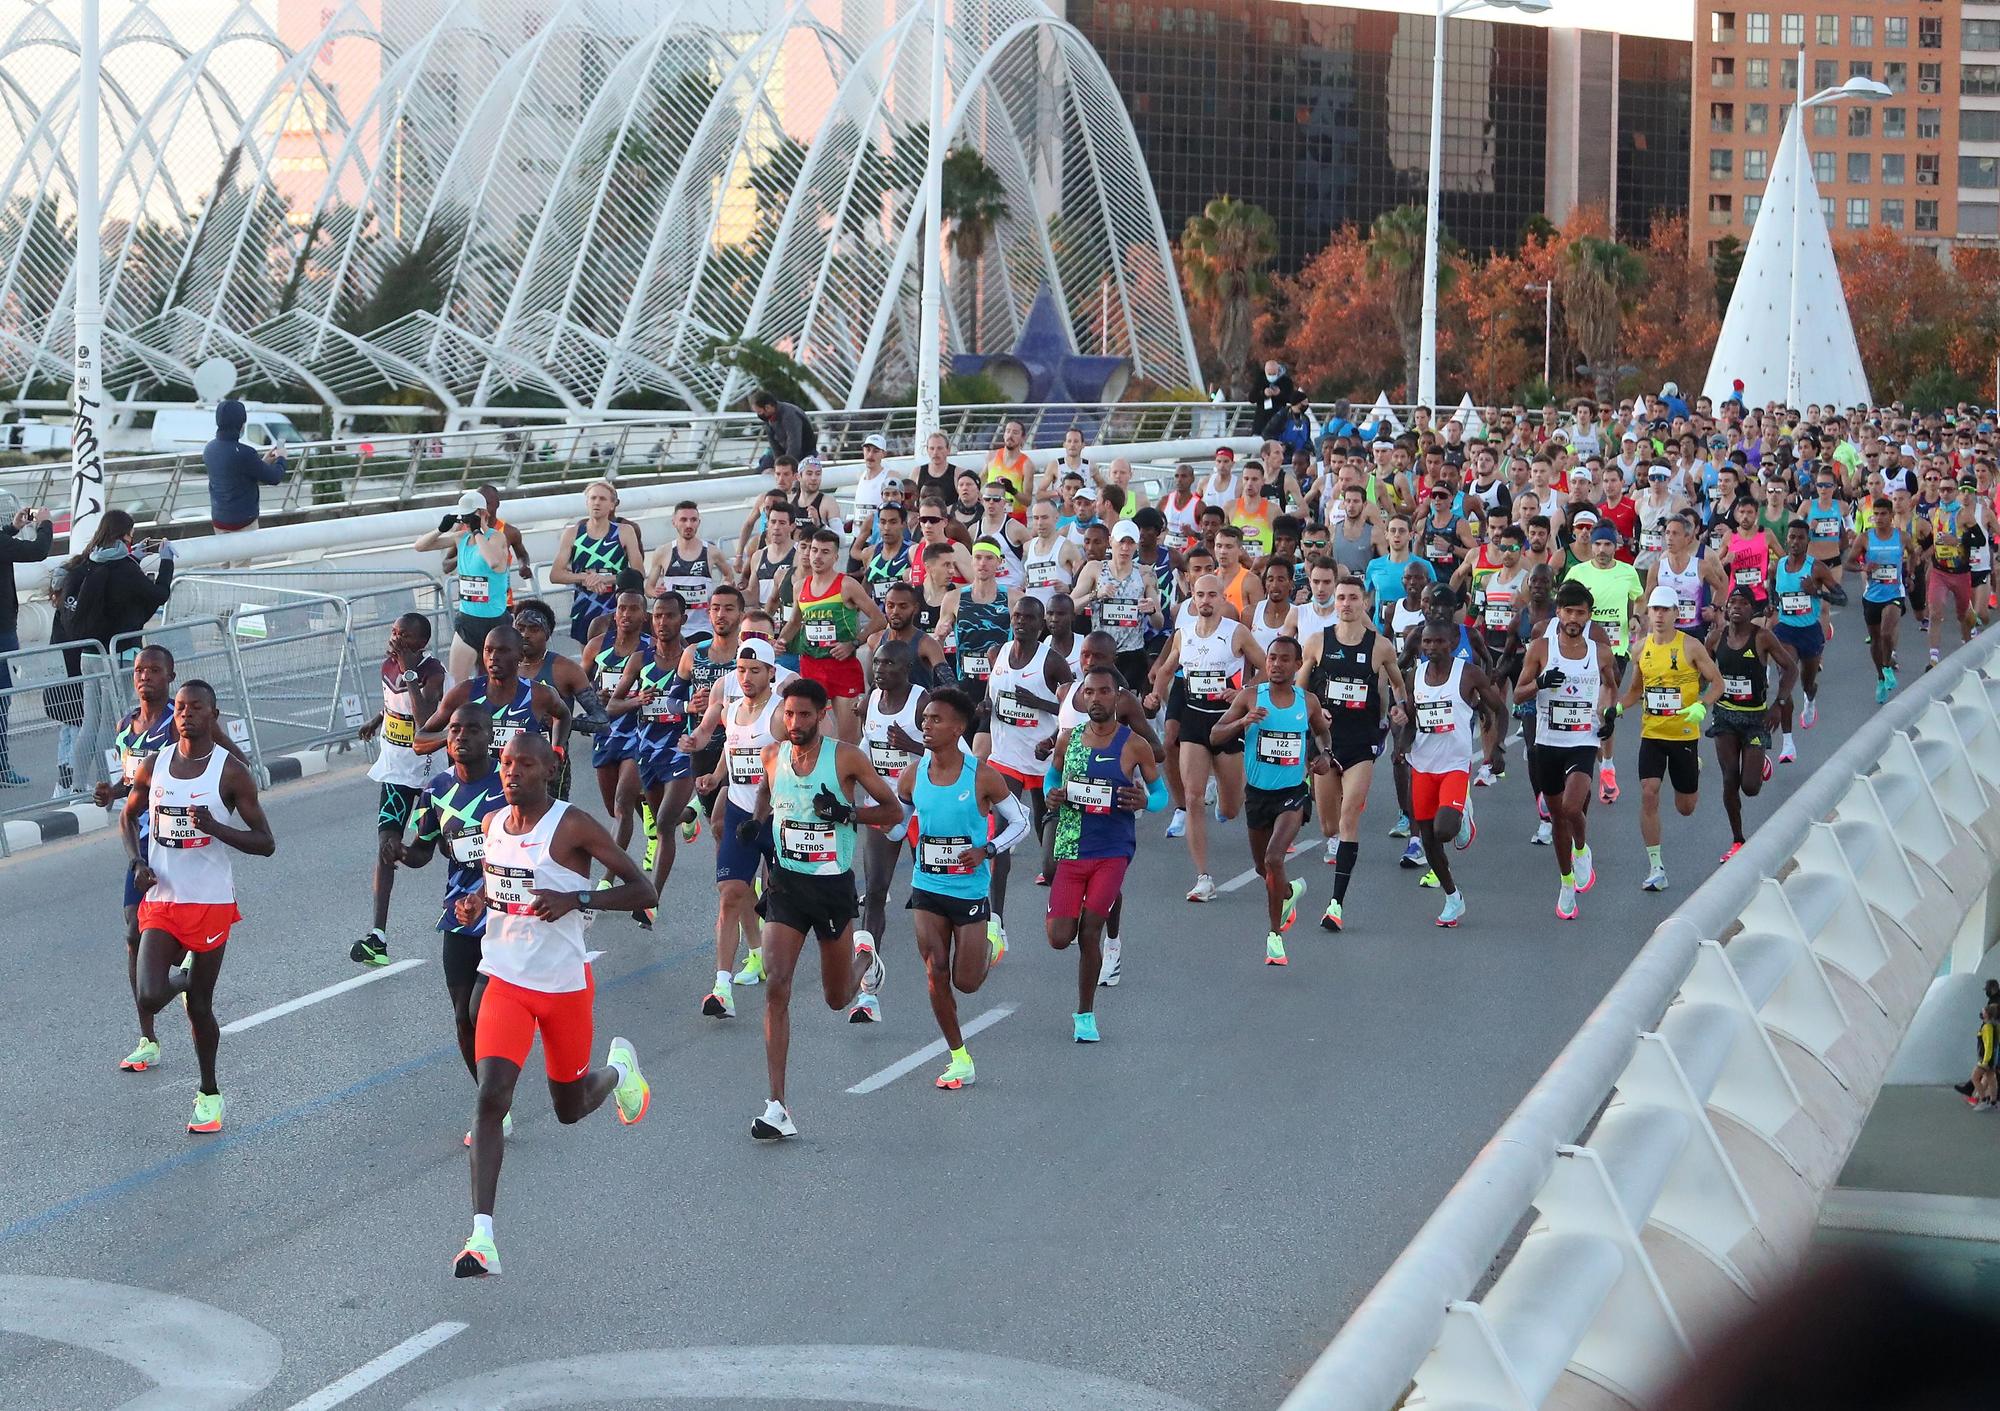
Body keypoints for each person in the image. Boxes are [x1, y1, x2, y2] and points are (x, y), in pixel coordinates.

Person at [451, 730, 656, 1277]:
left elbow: (643, 890)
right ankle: (482, 1238)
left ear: (549, 768)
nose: (511, 772)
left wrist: (578, 898)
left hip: (564, 987)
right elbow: (500, 891)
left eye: (523, 764)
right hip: (506, 982)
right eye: (505, 763)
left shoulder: (572, 826)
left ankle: (618, 1070)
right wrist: (477, 904)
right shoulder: (492, 825)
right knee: (491, 1097)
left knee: (568, 1108)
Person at [746, 678, 902, 1139]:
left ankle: (865, 958)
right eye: (788, 715)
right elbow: (765, 798)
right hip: (787, 886)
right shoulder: (772, 756)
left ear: (822, 716)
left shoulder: (847, 758)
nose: (794, 723)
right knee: (777, 985)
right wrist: (754, 827)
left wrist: (847, 814)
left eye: (804, 715)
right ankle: (777, 1105)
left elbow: (892, 811)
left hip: (832, 886)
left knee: (837, 999)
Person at [120, 680, 276, 1133]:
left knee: (200, 1010)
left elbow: (266, 843)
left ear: (213, 714)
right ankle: (188, 977)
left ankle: (209, 1092)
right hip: (164, 898)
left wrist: (215, 827)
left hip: (208, 902)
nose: (186, 714)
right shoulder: (156, 764)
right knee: (150, 993)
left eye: (196, 707)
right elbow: (128, 817)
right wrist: (137, 862)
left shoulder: (230, 773)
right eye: (181, 707)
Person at [899, 686, 1026, 1088]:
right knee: (935, 969)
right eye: (924, 719)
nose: (926, 725)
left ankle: (991, 940)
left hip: (969, 892)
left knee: (966, 982)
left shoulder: (982, 776)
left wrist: (987, 849)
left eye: (936, 719)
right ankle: (959, 1057)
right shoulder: (912, 774)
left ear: (959, 728)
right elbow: (895, 823)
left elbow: (1020, 822)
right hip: (926, 887)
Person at [391, 704, 508, 1134]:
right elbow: (425, 847)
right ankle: (494, 1106)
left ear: (490, 736)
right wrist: (403, 852)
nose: (460, 737)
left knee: (484, 1011)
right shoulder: (437, 788)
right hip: (459, 919)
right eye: (454, 729)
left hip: (506, 914)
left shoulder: (507, 783)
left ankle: (493, 1104)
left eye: (471, 729)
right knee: (463, 1017)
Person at [1045, 666, 1163, 1042]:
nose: (1096, 699)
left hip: (1113, 849)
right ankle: (1090, 904)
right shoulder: (1069, 740)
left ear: (1117, 697)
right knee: (1060, 938)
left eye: (1104, 692)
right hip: (1072, 846)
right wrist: (1053, 793)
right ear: (1081, 698)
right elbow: (1052, 777)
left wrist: (1146, 800)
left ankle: (1085, 1015)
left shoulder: (1133, 744)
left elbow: (1160, 795)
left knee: (1089, 933)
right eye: (1090, 692)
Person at [1211, 637, 1331, 966]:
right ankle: (1288, 893)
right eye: (1271, 658)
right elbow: (1214, 735)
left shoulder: (1307, 702)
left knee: (1274, 857)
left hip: (1293, 792)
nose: (1276, 664)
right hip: (1258, 795)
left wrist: (1325, 755)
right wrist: (1240, 722)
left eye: (1284, 660)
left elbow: (1321, 731)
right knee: (1262, 868)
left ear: (1296, 665)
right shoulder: (1251, 697)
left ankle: (1274, 935)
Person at [1145, 574, 1265, 902]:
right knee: (1193, 798)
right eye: (1200, 595)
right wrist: (1156, 694)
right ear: (1193, 598)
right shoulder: (1184, 636)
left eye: (1212, 595)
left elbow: (1267, 668)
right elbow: (1168, 670)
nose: (1205, 601)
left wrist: (1242, 692)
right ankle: (1203, 877)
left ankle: (1224, 799)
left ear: (1223, 599)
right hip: (1194, 722)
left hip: (1227, 724)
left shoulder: (1236, 633)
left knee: (1231, 807)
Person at [683, 638, 783, 1017]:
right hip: (741, 812)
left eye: (755, 670)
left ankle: (780, 960)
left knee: (781, 899)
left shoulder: (779, 713)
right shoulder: (732, 709)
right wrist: (716, 776)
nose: (746, 677)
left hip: (779, 816)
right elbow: (732, 747)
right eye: (741, 670)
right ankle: (721, 988)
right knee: (730, 893)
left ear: (771, 673)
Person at [1303, 579, 1407, 931]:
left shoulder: (1380, 646)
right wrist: (1316, 714)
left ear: (1365, 603)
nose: (1346, 603)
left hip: (1361, 743)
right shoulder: (1318, 642)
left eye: (1353, 598)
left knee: (1349, 818)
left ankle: (1336, 904)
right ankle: (1334, 832)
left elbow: (1397, 684)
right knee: (1329, 825)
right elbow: (1300, 690)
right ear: (1335, 602)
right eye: (1341, 597)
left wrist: (1399, 709)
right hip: (1325, 742)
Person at [353, 613, 447, 966]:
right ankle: (378, 935)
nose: (394, 640)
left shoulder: (432, 672)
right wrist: (376, 720)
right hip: (395, 772)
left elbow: (424, 720)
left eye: (403, 636)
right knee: (385, 847)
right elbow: (392, 702)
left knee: (445, 847)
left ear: (419, 644)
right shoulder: (388, 666)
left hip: (429, 775)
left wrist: (410, 671)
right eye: (393, 632)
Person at [1517, 581, 1616, 917]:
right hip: (1548, 741)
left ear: (1589, 617)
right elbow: (1518, 694)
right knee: (1557, 814)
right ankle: (1565, 882)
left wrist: (1608, 714)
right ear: (1558, 613)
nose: (1574, 618)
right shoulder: (1541, 649)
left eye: (1581, 613)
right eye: (1569, 612)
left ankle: (1582, 847)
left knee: (1574, 807)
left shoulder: (1599, 651)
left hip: (1583, 740)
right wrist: (1541, 683)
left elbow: (1610, 688)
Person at [978, 595, 1072, 942]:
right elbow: (994, 700)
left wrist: (1039, 703)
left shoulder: (1053, 663)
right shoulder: (996, 654)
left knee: (1047, 853)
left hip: (1044, 762)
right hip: (1005, 760)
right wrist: (985, 707)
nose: (1021, 621)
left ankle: (1066, 904)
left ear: (1041, 623)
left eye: (1029, 618)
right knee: (1001, 838)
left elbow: (1072, 709)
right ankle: (995, 922)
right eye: (1016, 616)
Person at [1396, 620, 1502, 927]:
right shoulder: (1414, 675)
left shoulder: (1467, 674)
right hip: (1422, 766)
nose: (1430, 647)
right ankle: (1453, 897)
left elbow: (1499, 709)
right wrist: (1402, 745)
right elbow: (1412, 719)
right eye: (1426, 642)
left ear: (1452, 643)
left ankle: (1462, 814)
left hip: (1454, 765)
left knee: (1445, 830)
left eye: (1437, 642)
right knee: (1429, 840)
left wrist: (1496, 750)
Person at [1621, 585, 1724, 893]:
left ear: (1676, 614)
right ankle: (1656, 867)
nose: (1660, 615)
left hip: (1683, 735)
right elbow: (1635, 691)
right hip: (1652, 733)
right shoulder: (1640, 649)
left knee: (1685, 807)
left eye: (1666, 610)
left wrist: (1701, 706)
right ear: (1648, 613)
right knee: (1649, 792)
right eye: (1655, 609)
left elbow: (1717, 683)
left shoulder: (1691, 646)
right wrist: (1614, 708)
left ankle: (1695, 766)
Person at [614, 593, 698, 907]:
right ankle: (689, 814)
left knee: (663, 823)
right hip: (648, 753)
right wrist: (637, 700)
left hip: (680, 750)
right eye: (658, 616)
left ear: (683, 619)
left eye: (670, 616)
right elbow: (612, 706)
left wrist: (693, 708)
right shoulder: (640, 660)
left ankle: (652, 900)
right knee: (667, 816)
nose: (663, 623)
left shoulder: (693, 659)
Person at [1706, 588, 1798, 863]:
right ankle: (1737, 839)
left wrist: (1779, 704)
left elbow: (1790, 669)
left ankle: (1760, 766)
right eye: (1732, 602)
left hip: (1755, 718)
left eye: (1743, 603)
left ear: (1751, 610)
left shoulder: (1763, 638)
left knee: (1750, 787)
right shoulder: (1715, 638)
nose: (1736, 607)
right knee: (1729, 778)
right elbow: (1702, 673)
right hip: (1724, 717)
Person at [1564, 523, 1644, 803]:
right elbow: (1564, 608)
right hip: (1582, 649)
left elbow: (1637, 600)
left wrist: (1635, 618)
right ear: (1591, 546)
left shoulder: (1628, 572)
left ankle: (1606, 767)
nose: (1602, 550)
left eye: (1607, 544)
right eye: (1597, 544)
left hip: (1616, 650)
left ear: (1616, 545)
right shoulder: (1577, 573)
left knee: (1604, 710)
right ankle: (1596, 764)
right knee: (1590, 711)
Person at [780, 527, 885, 742]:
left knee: (848, 737)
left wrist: (853, 643)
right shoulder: (800, 587)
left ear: (836, 557)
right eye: (814, 550)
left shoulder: (846, 585)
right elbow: (794, 622)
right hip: (811, 664)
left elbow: (879, 619)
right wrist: (780, 640)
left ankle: (849, 773)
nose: (817, 557)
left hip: (841, 665)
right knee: (808, 732)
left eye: (825, 552)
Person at [858, 640, 927, 947]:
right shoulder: (871, 700)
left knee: (928, 891)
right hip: (882, 806)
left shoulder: (922, 702)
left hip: (921, 809)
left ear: (907, 669)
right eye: (876, 663)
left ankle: (947, 948)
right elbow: (867, 747)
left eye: (889, 664)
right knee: (874, 890)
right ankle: (868, 966)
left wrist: (911, 747)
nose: (880, 670)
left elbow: (953, 755)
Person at [416, 492, 515, 686]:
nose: (467, 522)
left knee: (500, 682)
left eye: (471, 516)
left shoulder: (497, 538)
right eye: (465, 516)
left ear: (482, 513)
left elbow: (494, 562)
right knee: (455, 684)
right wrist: (440, 529)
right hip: (469, 621)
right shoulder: (461, 537)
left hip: (495, 621)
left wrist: (478, 532)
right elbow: (420, 546)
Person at [1772, 519, 1840, 762]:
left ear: (1808, 541)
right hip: (1785, 632)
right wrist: (1772, 605)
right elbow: (1774, 590)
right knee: (1786, 677)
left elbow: (1842, 597)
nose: (1795, 542)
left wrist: (1817, 592)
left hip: (1810, 632)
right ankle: (1788, 743)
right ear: (1786, 539)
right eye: (1792, 537)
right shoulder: (1778, 566)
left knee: (1807, 682)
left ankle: (1810, 699)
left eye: (1801, 538)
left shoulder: (1817, 568)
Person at [0, 502, 53, 787]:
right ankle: (1, 767)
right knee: (2, 701)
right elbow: (37, 551)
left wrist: (14, 528)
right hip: (2, 633)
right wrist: (44, 524)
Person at [1850, 495, 1913, 703]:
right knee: (1875, 640)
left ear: (1891, 516)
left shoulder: (1901, 537)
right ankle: (1880, 677)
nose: (1879, 518)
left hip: (1894, 594)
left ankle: (1887, 667)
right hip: (1872, 596)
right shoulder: (1865, 538)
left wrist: (1910, 574)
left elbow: (1913, 554)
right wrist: (1863, 567)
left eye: (1883, 514)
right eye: (1875, 514)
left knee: (1886, 633)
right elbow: (1849, 562)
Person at [203, 399, 288, 535]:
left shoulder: (209, 449)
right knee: (241, 556)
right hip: (242, 522)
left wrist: (263, 462)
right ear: (241, 424)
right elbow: (274, 478)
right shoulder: (245, 453)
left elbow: (236, 472)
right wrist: (282, 458)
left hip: (219, 520)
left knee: (225, 555)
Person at [644, 500, 721, 641]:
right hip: (672, 627)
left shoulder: (711, 552)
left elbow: (728, 576)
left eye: (693, 520)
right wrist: (656, 592)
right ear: (674, 522)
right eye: (683, 520)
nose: (689, 525)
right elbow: (649, 587)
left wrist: (717, 597)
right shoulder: (663, 552)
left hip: (702, 627)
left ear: (699, 522)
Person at [750, 388, 818, 463]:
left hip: (804, 453)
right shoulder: (768, 418)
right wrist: (777, 462)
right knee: (763, 467)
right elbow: (774, 444)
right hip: (784, 451)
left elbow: (794, 443)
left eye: (759, 411)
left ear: (767, 407)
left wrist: (785, 464)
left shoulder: (789, 415)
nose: (758, 415)